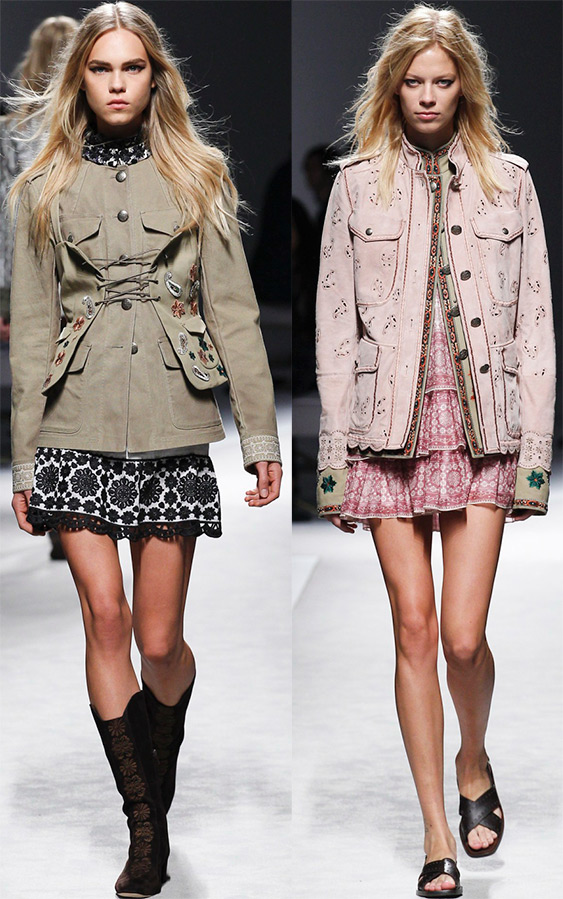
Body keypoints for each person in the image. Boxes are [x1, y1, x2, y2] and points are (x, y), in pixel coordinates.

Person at [8, 3, 282, 897]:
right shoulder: (43, 185)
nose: (117, 82)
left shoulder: (200, 174)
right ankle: (144, 825)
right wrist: (24, 456)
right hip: (74, 419)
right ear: (79, 79)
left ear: (155, 76)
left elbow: (233, 311)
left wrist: (259, 435)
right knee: (107, 617)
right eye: (101, 68)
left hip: (171, 417)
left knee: (159, 639)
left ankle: (153, 785)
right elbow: (33, 330)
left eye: (132, 67)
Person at [315, 5, 555, 896]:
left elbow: (535, 323)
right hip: (385, 432)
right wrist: (332, 459)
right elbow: (334, 322)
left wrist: (534, 455)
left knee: (460, 636)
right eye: (412, 81)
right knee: (413, 629)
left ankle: (473, 758)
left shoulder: (509, 182)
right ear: (391, 87)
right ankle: (433, 831)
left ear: (464, 86)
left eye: (441, 81)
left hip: (484, 428)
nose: (425, 95)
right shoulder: (355, 186)